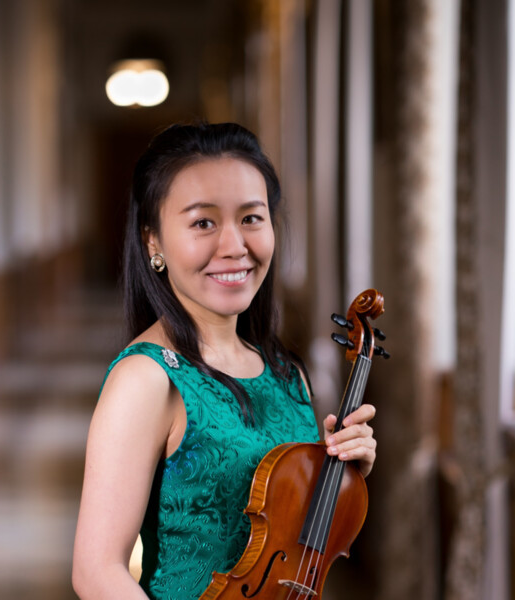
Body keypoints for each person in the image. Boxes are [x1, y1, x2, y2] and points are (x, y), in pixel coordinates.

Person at [72, 122, 377, 600]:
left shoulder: (286, 373)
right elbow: (96, 573)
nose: (235, 247)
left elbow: (294, 550)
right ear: (153, 241)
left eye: (251, 218)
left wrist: (344, 472)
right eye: (203, 223)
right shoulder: (147, 378)